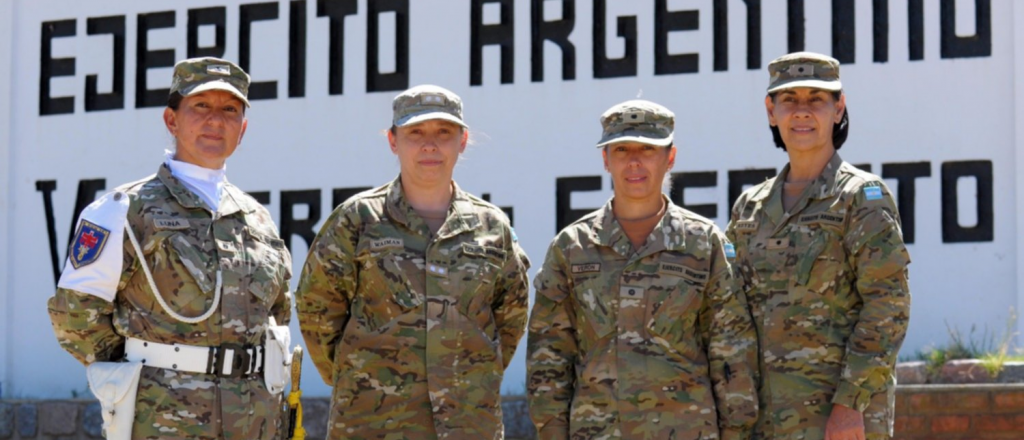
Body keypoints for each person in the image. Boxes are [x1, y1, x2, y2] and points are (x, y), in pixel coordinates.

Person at [46, 57, 293, 439]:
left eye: (229, 110)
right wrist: (140, 376)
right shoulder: (124, 209)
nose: (216, 121)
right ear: (171, 120)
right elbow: (75, 317)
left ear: (242, 129)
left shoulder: (256, 219)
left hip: (253, 421)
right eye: (201, 106)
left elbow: (277, 316)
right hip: (164, 420)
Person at [294, 84, 531, 439]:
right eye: (415, 132)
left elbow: (509, 317)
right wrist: (356, 376)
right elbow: (316, 308)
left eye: (444, 133)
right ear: (393, 140)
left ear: (462, 141)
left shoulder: (491, 227)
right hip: (372, 422)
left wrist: (470, 373)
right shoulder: (357, 220)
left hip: (467, 423)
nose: (429, 145)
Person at [527, 100, 758, 439]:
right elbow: (549, 356)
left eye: (648, 149)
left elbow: (731, 350)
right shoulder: (572, 247)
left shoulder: (703, 243)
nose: (634, 162)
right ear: (606, 159)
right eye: (621, 150)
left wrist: (736, 431)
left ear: (670, 158)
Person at [726, 52, 912, 440]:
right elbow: (730, 314)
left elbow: (887, 307)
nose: (802, 111)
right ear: (771, 111)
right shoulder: (750, 209)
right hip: (762, 421)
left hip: (837, 421)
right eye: (789, 99)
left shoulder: (861, 198)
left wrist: (849, 406)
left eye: (817, 99)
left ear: (838, 107)